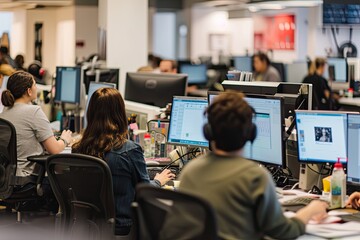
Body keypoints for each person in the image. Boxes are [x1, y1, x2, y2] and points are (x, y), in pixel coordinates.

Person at [179, 91, 328, 239]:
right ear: (251, 133)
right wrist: (311, 210)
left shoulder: (190, 171)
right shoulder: (255, 177)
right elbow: (284, 232)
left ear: (208, 132)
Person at [72, 88, 175, 236]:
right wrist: (158, 181)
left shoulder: (78, 149)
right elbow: (145, 192)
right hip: (121, 226)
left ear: (91, 113)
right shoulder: (130, 150)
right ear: (120, 113)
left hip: (87, 224)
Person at [0, 71, 73, 177]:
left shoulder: (3, 114)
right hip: (27, 179)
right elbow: (55, 149)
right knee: (65, 182)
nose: (36, 88)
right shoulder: (34, 111)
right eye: (35, 85)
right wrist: (65, 139)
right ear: (29, 91)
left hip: (6, 181)